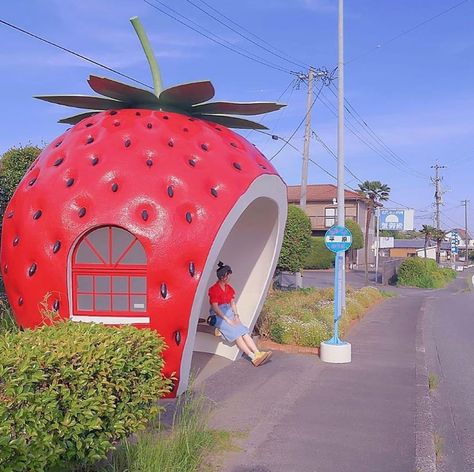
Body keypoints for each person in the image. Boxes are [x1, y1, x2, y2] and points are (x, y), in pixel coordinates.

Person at [208, 261, 272, 367]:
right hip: (218, 315)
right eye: (228, 276)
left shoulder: (229, 288)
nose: (229, 278)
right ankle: (252, 357)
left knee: (243, 331)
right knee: (237, 334)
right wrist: (227, 320)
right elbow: (215, 307)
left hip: (228, 312)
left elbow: (232, 303)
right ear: (223, 276)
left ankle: (258, 353)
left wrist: (236, 316)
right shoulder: (214, 289)